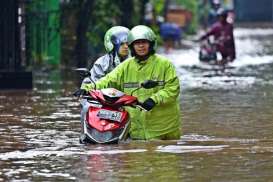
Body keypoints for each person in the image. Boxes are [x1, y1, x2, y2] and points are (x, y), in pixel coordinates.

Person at [81, 25, 181, 140]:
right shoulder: (126, 66)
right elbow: (108, 80)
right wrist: (88, 88)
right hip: (135, 129)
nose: (141, 46)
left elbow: (173, 89)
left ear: (151, 44)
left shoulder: (165, 64)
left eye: (144, 42)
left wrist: (154, 99)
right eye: (137, 43)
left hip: (163, 128)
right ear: (132, 46)